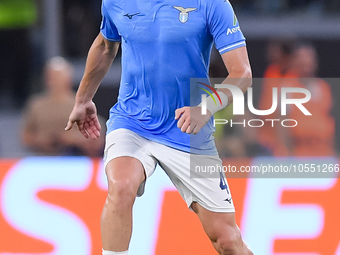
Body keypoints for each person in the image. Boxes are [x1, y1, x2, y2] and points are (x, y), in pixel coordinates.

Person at [66, 0, 253, 254]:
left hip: (187, 130)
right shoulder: (115, 2)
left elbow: (242, 73)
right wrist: (83, 98)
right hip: (133, 120)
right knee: (121, 186)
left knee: (227, 241)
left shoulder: (211, 3)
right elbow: (105, 44)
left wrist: (207, 107)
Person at [22, 57, 105, 156]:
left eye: (56, 76)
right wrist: (41, 140)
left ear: (67, 78)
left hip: (73, 159)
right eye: (49, 76)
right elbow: (25, 136)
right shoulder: (36, 105)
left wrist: (72, 139)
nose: (52, 79)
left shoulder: (82, 104)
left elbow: (96, 138)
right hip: (43, 160)